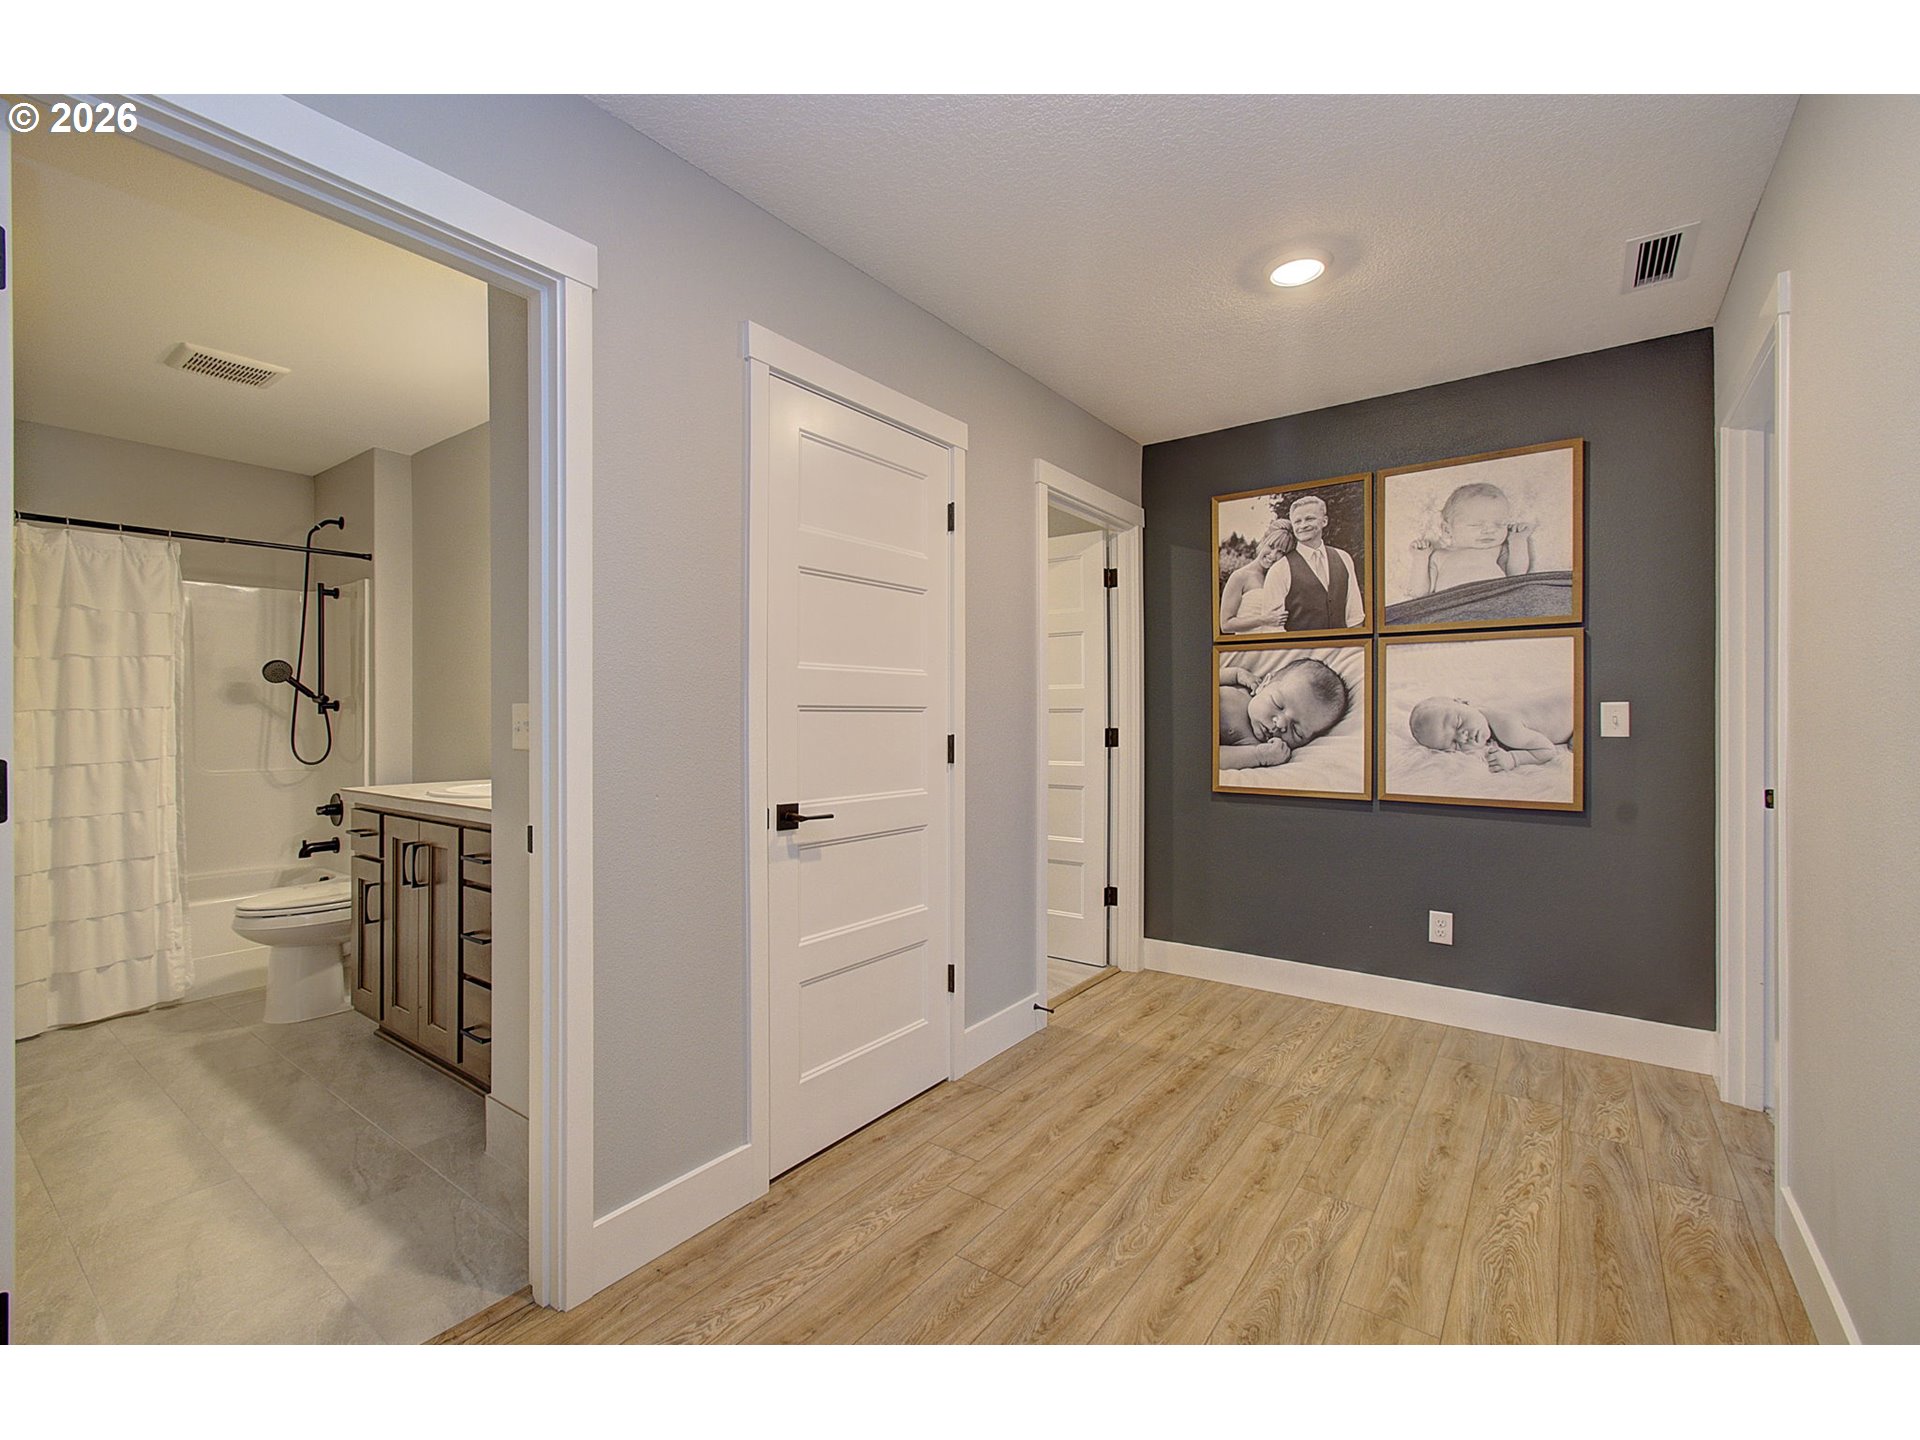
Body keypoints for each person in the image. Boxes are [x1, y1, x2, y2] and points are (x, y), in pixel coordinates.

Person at [1407, 481, 1537, 596]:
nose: (1490, 530)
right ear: (1447, 530)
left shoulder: (1496, 549)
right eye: (1476, 524)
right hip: (1451, 606)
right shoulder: (1440, 556)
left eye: (1500, 524)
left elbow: (1517, 574)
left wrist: (1518, 540)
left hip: (1494, 598)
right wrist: (1420, 558)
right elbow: (1419, 593)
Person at [1219, 657, 1349, 769]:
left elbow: (1211, 759)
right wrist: (1236, 674)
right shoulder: (1241, 688)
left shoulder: (1253, 748)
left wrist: (1259, 756)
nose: (1281, 724)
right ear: (1264, 684)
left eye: (1296, 731)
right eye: (1278, 704)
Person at [1260, 493, 1365, 631]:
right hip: (1300, 651)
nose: (1303, 525)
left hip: (1342, 649)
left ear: (1324, 521)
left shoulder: (1343, 558)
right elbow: (1272, 628)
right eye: (1297, 521)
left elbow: (1354, 615)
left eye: (1309, 519)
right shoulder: (1280, 569)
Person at [1408, 691, 1572, 772]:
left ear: (1464, 702)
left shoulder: (1507, 728)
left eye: (1458, 723)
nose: (1463, 737)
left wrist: (1513, 759)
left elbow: (1547, 750)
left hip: (1578, 705)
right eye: (1454, 744)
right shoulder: (1481, 715)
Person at [1217, 517, 1293, 634]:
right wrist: (1264, 620)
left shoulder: (1281, 578)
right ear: (1263, 541)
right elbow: (1226, 625)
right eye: (1271, 547)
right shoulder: (1240, 576)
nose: (1273, 555)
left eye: (1281, 552)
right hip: (1249, 647)